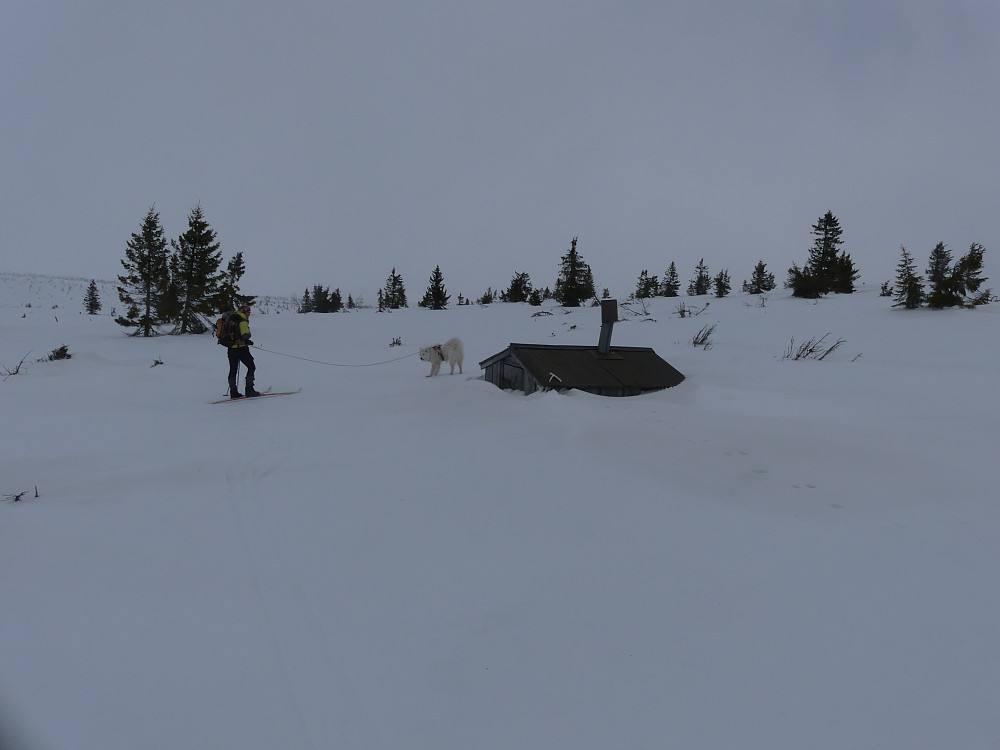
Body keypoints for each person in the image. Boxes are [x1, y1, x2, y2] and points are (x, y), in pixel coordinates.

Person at [227, 304, 260, 398]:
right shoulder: (242, 320)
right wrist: (248, 336)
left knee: (233, 369)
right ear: (244, 312)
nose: (249, 314)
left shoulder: (232, 318)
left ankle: (233, 392)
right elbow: (245, 335)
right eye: (248, 312)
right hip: (241, 348)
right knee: (251, 367)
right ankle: (249, 390)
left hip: (231, 348)